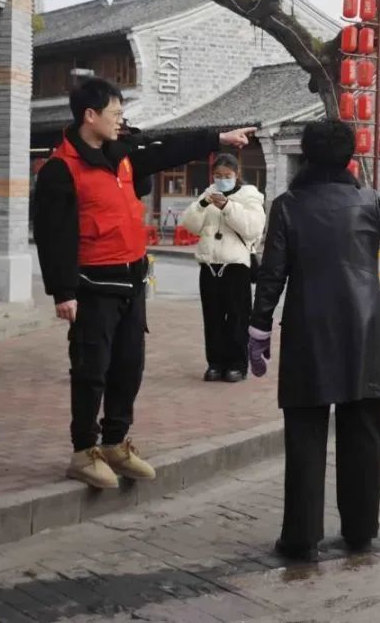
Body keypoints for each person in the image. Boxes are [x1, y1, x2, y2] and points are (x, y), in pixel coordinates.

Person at [246, 120, 380, 562]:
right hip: (365, 331)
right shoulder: (367, 201)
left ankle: (301, 536)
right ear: (348, 157)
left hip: (307, 330)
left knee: (305, 433)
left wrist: (259, 328)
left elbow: (272, 274)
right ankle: (360, 530)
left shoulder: (287, 206)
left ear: (306, 155)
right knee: (363, 432)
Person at [34, 77, 256, 490]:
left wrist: (217, 137)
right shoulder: (61, 170)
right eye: (115, 113)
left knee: (128, 367)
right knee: (91, 370)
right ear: (90, 116)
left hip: (131, 283)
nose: (120, 121)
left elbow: (168, 148)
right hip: (92, 285)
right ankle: (84, 451)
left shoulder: (122, 155)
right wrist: (63, 293)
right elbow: (52, 236)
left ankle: (116, 442)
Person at [181, 154, 266, 383]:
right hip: (209, 264)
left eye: (227, 176)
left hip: (236, 265)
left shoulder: (249, 196)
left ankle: (237, 364)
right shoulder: (208, 193)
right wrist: (202, 204)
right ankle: (215, 364)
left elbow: (252, 228)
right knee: (213, 318)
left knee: (238, 318)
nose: (221, 180)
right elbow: (190, 224)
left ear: (237, 174)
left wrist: (228, 206)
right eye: (217, 176)